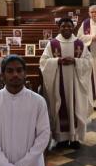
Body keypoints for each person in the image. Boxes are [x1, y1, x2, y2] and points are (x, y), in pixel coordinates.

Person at [39, 18, 93, 149]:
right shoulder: (52, 44)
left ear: (73, 27)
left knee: (76, 107)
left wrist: (75, 61)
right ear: (59, 27)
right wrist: (57, 61)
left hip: (76, 84)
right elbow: (43, 61)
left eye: (69, 26)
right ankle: (62, 139)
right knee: (61, 106)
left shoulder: (80, 44)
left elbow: (89, 61)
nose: (66, 29)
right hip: (58, 83)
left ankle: (74, 138)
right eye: (63, 26)